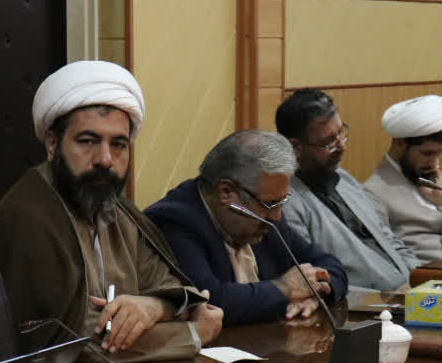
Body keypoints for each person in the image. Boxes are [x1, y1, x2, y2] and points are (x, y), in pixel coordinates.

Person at [0, 60, 222, 360]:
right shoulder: (29, 218)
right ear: (52, 144)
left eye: (118, 145)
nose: (105, 159)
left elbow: (169, 288)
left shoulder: (117, 209)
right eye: (88, 141)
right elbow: (67, 344)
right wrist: (193, 333)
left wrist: (154, 306)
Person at [144, 130, 347, 326]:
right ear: (226, 192)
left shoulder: (267, 215)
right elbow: (206, 300)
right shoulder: (175, 220)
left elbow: (330, 265)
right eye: (271, 203)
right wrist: (284, 289)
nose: (277, 216)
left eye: (281, 201)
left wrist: (315, 293)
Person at [276, 89, 420, 291]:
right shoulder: (287, 204)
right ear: (295, 147)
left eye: (341, 134)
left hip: (409, 294)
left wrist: (425, 278)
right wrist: (389, 298)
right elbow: (313, 281)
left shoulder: (344, 179)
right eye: (329, 143)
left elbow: (389, 240)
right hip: (366, 306)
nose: (342, 147)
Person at [362, 94, 442, 263]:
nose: (434, 162)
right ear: (399, 144)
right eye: (427, 153)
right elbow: (385, 259)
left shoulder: (431, 179)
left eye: (439, 153)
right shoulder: (373, 192)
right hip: (431, 274)